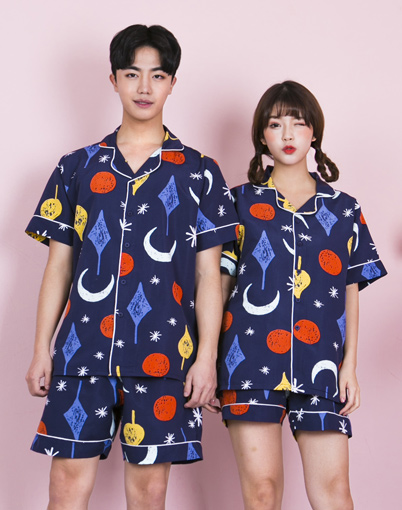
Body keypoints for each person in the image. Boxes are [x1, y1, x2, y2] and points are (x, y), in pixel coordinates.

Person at [25, 24, 238, 510]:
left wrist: (206, 357)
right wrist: (41, 349)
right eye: (132, 74)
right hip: (82, 352)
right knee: (65, 489)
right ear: (114, 80)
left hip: (165, 354)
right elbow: (58, 267)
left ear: (172, 83)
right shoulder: (76, 167)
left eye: (157, 75)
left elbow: (210, 275)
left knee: (149, 494)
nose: (144, 87)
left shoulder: (200, 172)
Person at [218, 81, 386, 510]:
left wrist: (349, 366)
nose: (288, 134)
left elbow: (350, 289)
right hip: (247, 359)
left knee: (334, 493)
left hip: (322, 362)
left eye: (298, 123)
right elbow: (219, 285)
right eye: (276, 124)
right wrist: (204, 360)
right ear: (262, 136)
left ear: (314, 133)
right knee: (262, 493)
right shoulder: (237, 204)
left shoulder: (344, 209)